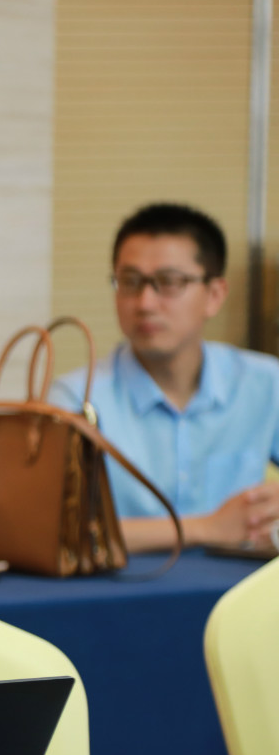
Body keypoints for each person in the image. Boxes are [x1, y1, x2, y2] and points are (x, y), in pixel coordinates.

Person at [52, 203, 279, 552]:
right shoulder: (74, 400)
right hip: (121, 583)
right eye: (130, 282)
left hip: (240, 584)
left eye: (169, 283)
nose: (145, 303)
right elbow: (56, 532)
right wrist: (208, 528)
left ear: (215, 295)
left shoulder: (265, 383)